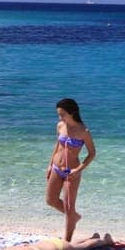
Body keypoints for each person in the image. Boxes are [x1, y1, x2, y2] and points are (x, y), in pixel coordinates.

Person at [45, 98, 96, 241]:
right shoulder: (61, 126)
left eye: (62, 114)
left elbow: (92, 153)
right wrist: (49, 165)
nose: (60, 118)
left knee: (68, 206)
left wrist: (79, 169)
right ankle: (74, 217)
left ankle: (66, 241)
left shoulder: (83, 131)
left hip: (71, 172)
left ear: (72, 112)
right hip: (56, 168)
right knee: (50, 200)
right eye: (59, 115)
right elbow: (57, 146)